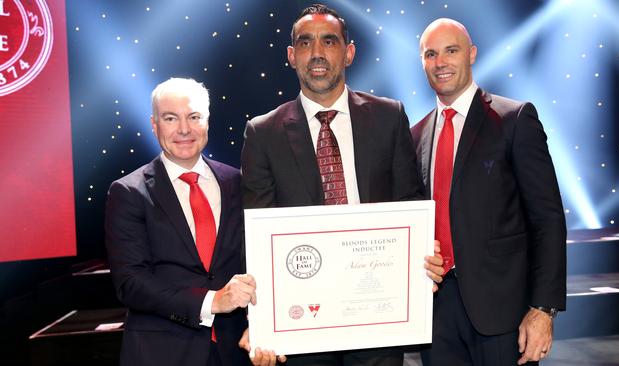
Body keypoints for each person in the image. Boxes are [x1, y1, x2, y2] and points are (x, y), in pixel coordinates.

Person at [239, 4, 424, 366]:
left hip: (377, 315)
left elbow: (410, 203)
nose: (318, 53)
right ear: (292, 57)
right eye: (305, 44)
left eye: (330, 41)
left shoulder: (389, 117)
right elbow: (257, 233)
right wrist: (261, 319)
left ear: (349, 52)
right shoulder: (263, 133)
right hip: (302, 323)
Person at [411, 18, 567, 365]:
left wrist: (543, 309)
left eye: (451, 50)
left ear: (472, 54)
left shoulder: (514, 119)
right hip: (436, 312)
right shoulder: (416, 134)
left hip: (503, 314)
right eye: (430, 54)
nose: (441, 62)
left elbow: (548, 218)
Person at [105, 77, 255, 366]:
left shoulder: (238, 182)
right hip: (162, 352)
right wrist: (210, 301)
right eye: (171, 118)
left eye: (194, 117)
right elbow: (131, 283)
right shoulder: (129, 192)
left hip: (236, 349)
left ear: (208, 121)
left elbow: (256, 259)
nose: (184, 129)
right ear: (154, 124)